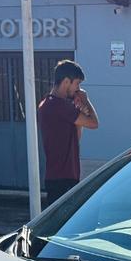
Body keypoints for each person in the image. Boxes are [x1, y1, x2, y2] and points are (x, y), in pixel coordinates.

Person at [37, 59, 99, 206]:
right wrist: (86, 100)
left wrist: (78, 114)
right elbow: (94, 123)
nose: (78, 89)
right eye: (77, 84)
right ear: (66, 81)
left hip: (65, 175)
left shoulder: (51, 104)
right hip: (62, 178)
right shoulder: (58, 106)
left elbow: (75, 139)